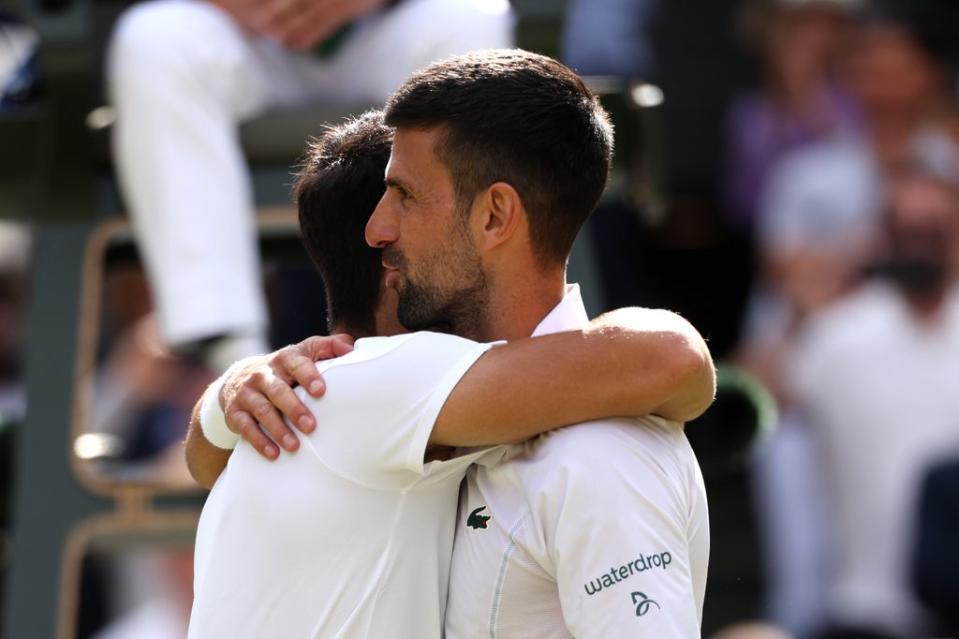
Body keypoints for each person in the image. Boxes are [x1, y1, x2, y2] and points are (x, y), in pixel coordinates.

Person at [192, 50, 712, 636]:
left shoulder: (603, 455)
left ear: (494, 216)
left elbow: (674, 358)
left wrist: (235, 388)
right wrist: (238, 385)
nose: (377, 229)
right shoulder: (406, 406)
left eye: (406, 195)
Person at [106, 0, 514, 372]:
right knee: (154, 40)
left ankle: (471, 333)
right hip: (242, 38)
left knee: (468, 23)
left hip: (385, 26)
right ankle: (233, 360)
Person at [785, 167, 959, 636]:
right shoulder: (836, 335)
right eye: (907, 231)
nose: (920, 243)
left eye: (935, 230)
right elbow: (764, 395)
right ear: (884, 238)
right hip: (863, 606)